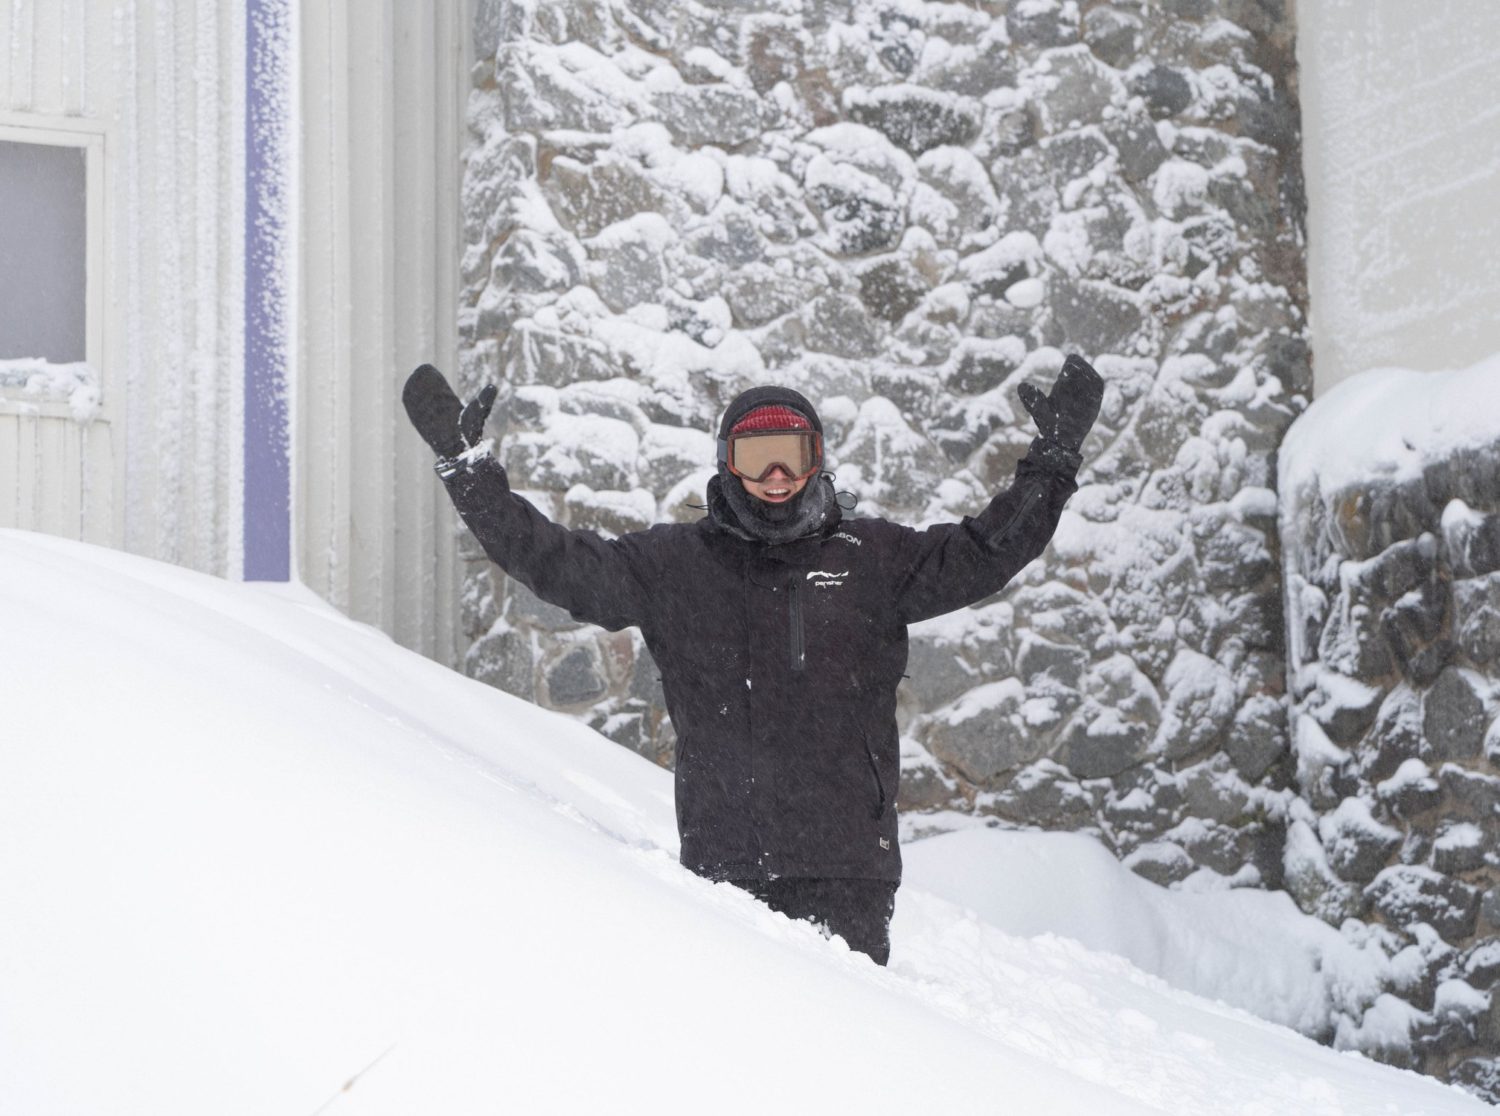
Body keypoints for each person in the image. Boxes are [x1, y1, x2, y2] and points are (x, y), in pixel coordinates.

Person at [402, 356, 1102, 965]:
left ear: (817, 460)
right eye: (755, 456)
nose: (774, 476)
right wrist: (472, 477)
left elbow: (985, 553)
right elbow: (555, 563)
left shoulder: (873, 561)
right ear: (725, 463)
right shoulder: (675, 567)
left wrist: (1054, 461)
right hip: (724, 869)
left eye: (791, 456)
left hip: (847, 871)